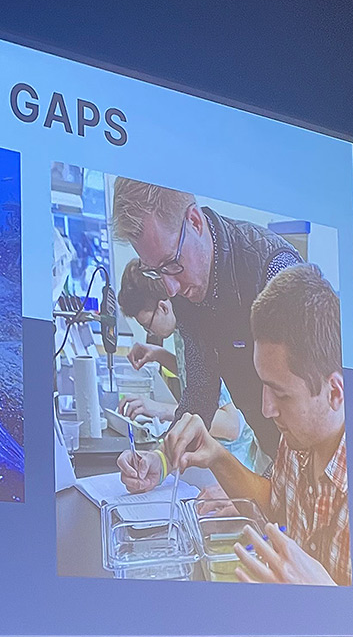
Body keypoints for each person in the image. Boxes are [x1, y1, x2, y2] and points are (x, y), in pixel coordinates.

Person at [160, 264, 349, 585]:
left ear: (334, 392)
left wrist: (324, 594)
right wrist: (216, 455)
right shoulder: (298, 438)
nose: (266, 409)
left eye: (281, 394)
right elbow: (276, 503)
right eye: (264, 385)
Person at [111, 176, 301, 460]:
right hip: (270, 450)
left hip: (305, 457)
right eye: (154, 271)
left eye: (171, 264)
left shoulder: (273, 270)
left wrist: (260, 486)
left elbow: (314, 410)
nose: (170, 288)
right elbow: (200, 391)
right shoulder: (185, 287)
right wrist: (161, 461)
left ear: (195, 222)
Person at [115, 259, 270, 479]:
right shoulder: (181, 330)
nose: (149, 331)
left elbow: (230, 425)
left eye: (147, 325)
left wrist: (162, 410)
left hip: (229, 468)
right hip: (207, 459)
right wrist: (159, 356)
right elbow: (200, 382)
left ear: (163, 306)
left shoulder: (198, 330)